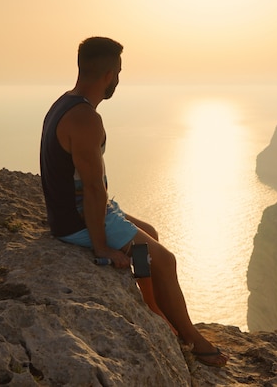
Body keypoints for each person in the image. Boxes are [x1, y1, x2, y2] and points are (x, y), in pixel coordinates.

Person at [39, 37, 228, 368]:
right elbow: (95, 190)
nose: (118, 80)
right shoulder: (85, 119)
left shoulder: (65, 104)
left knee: (149, 231)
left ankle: (153, 306)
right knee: (165, 260)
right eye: (119, 73)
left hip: (75, 209)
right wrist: (102, 248)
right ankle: (191, 339)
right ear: (110, 74)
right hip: (79, 219)